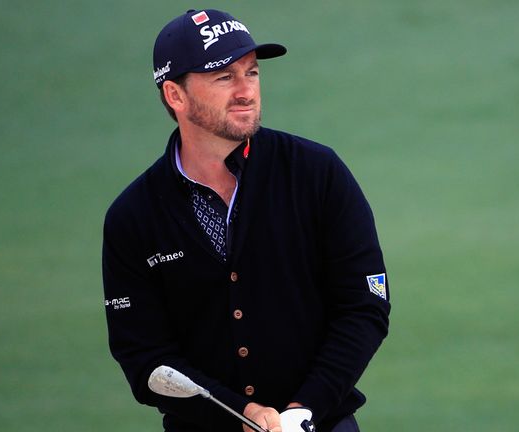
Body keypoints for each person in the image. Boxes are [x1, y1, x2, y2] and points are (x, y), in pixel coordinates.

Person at [102, 8, 391, 432]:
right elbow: (145, 358)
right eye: (224, 78)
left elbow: (365, 306)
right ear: (175, 95)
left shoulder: (317, 173)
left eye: (251, 73)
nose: (245, 91)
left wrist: (303, 410)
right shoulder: (133, 217)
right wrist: (237, 413)